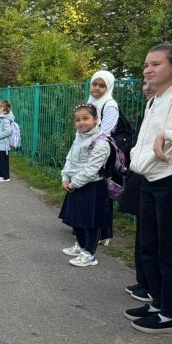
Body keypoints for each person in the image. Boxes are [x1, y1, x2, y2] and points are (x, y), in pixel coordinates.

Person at [127, 43, 172, 334]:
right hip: (150, 181)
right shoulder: (154, 100)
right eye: (146, 65)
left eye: (155, 64)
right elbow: (144, 139)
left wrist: (167, 134)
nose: (148, 70)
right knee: (149, 247)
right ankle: (157, 303)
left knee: (171, 251)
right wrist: (135, 159)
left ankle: (170, 315)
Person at [59, 104, 110, 268]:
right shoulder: (79, 136)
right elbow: (70, 158)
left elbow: (91, 170)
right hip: (74, 184)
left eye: (86, 118)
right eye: (77, 120)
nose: (81, 123)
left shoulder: (101, 142)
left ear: (96, 119)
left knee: (90, 221)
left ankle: (89, 253)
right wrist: (65, 177)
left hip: (91, 186)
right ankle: (81, 246)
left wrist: (74, 183)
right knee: (75, 219)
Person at [119, 80, 157, 303]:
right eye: (144, 83)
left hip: (154, 175)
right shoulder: (149, 108)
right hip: (141, 174)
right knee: (143, 232)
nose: (147, 86)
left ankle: (152, 286)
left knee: (153, 237)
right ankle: (143, 280)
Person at [87, 70, 120, 244]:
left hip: (102, 154)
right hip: (88, 151)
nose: (97, 88)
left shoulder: (110, 105)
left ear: (108, 87)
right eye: (95, 84)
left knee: (101, 192)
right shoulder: (91, 102)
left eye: (102, 86)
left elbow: (105, 133)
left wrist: (91, 149)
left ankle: (103, 232)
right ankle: (88, 226)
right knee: (89, 190)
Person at [0, 100, 14, 182]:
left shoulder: (5, 119)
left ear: (1, 108)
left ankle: (5, 177)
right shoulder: (0, 116)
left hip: (3, 143)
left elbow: (8, 131)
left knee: (2, 160)